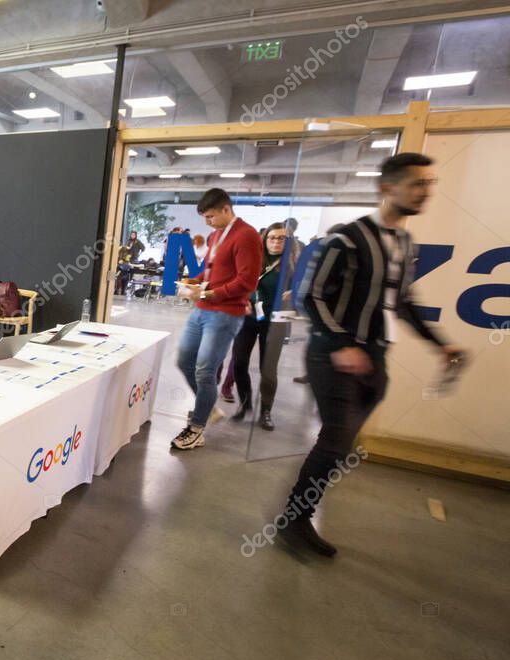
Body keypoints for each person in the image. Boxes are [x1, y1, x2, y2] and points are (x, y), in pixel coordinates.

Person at [278, 154, 466, 556]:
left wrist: (439, 343)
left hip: (374, 360)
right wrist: (342, 343)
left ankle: (299, 512)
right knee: (333, 442)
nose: (425, 191)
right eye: (417, 183)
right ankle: (293, 520)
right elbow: (310, 296)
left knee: (340, 446)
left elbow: (404, 302)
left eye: (429, 183)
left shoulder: (404, 243)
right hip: (332, 357)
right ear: (388, 188)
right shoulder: (348, 238)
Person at [172, 188, 262, 450]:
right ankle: (207, 405)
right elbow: (210, 272)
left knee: (204, 369)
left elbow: (247, 282)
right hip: (202, 308)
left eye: (210, 216)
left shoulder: (247, 235)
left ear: (226, 209)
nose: (207, 222)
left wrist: (210, 293)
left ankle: (197, 427)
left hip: (224, 313)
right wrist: (192, 282)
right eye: (204, 217)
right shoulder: (215, 236)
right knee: (184, 359)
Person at [229, 223, 294, 430]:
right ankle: (245, 403)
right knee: (239, 362)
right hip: (249, 317)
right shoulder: (254, 260)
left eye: (281, 238)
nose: (276, 242)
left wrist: (295, 295)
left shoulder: (294, 265)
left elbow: (309, 291)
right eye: (272, 238)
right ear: (265, 240)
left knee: (268, 369)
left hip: (275, 320)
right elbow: (239, 283)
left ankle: (266, 411)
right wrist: (243, 300)